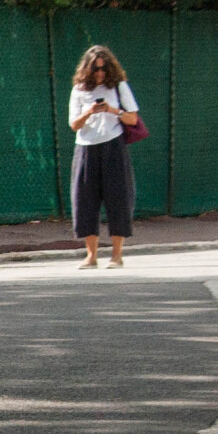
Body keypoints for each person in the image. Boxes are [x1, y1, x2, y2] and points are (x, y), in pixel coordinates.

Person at [67, 45, 139, 268]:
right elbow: (73, 124)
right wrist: (89, 111)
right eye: (96, 69)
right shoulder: (79, 89)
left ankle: (117, 255)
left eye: (104, 68)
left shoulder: (118, 86)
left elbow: (133, 119)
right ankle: (91, 255)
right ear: (87, 69)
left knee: (118, 198)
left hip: (113, 146)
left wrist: (113, 110)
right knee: (84, 199)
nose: (100, 73)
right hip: (86, 147)